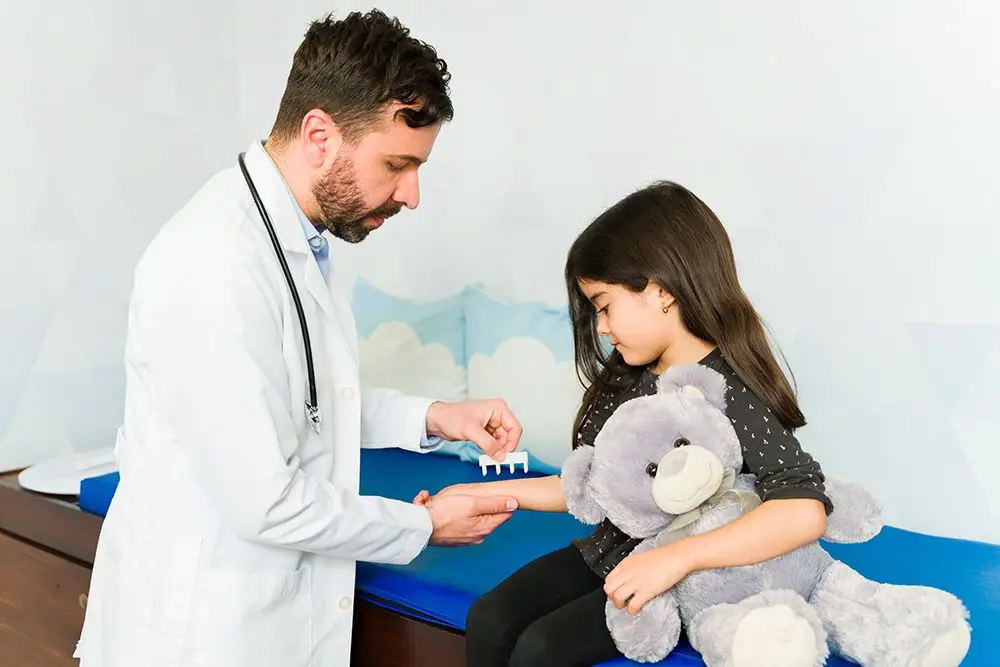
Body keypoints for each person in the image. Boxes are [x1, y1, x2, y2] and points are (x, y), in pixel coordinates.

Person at [74, 10, 522, 667]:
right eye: (398, 164)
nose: (413, 194)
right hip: (201, 637)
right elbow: (268, 502)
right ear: (319, 134)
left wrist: (432, 417)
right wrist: (424, 525)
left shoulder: (298, 243)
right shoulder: (212, 261)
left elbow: (307, 398)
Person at [416, 181, 835, 666]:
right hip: (613, 553)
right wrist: (478, 496)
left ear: (660, 293)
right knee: (488, 618)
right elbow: (594, 485)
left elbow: (804, 508)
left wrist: (679, 557)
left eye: (604, 306)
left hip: (683, 576)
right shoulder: (626, 378)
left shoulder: (728, 386)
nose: (602, 327)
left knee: (541, 650)